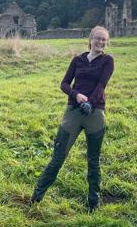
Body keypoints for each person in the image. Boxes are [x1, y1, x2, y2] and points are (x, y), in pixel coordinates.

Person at [31, 26, 114, 212]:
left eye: (104, 40)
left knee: (93, 160)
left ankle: (93, 203)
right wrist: (76, 95)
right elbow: (64, 83)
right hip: (73, 112)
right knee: (58, 157)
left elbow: (102, 84)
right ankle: (36, 197)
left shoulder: (108, 61)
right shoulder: (78, 60)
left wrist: (91, 103)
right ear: (91, 39)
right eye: (98, 38)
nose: (101, 42)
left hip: (95, 113)